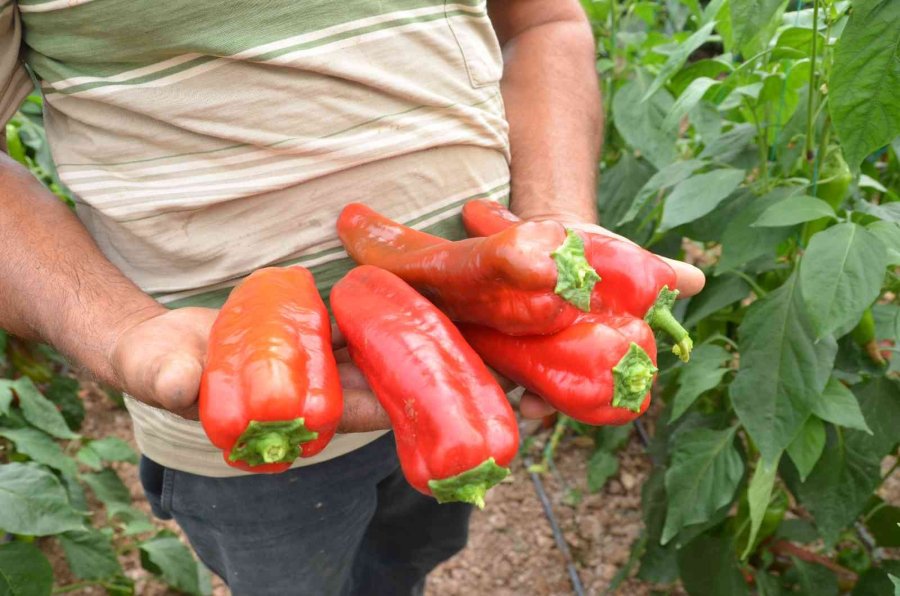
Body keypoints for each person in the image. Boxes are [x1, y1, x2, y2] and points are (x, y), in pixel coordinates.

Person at [0, 1, 705, 594]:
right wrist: (120, 330)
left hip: (473, 371)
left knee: (409, 558)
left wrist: (555, 231)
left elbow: (543, 20)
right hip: (238, 401)